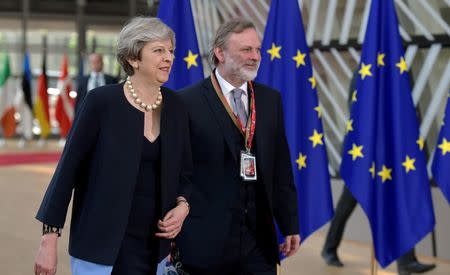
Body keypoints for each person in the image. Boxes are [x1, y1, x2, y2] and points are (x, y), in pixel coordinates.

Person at [34, 16, 192, 275]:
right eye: (159, 50)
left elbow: (186, 171)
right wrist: (48, 239)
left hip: (155, 251)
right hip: (99, 248)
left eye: (171, 51)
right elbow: (67, 172)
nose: (169, 57)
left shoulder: (176, 107)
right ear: (133, 58)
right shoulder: (101, 102)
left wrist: (183, 206)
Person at [176, 18, 300, 275]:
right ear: (220, 53)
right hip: (204, 245)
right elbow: (178, 173)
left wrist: (289, 224)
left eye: (257, 50)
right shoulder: (186, 103)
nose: (255, 56)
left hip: (259, 245)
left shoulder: (270, 100)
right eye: (246, 49)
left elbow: (281, 169)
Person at [322, 71, 436, 275]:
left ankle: (406, 261)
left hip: (390, 154)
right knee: (346, 205)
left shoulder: (400, 71)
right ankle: (329, 248)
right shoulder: (364, 71)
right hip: (364, 155)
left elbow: (410, 112)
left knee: (395, 204)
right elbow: (356, 112)